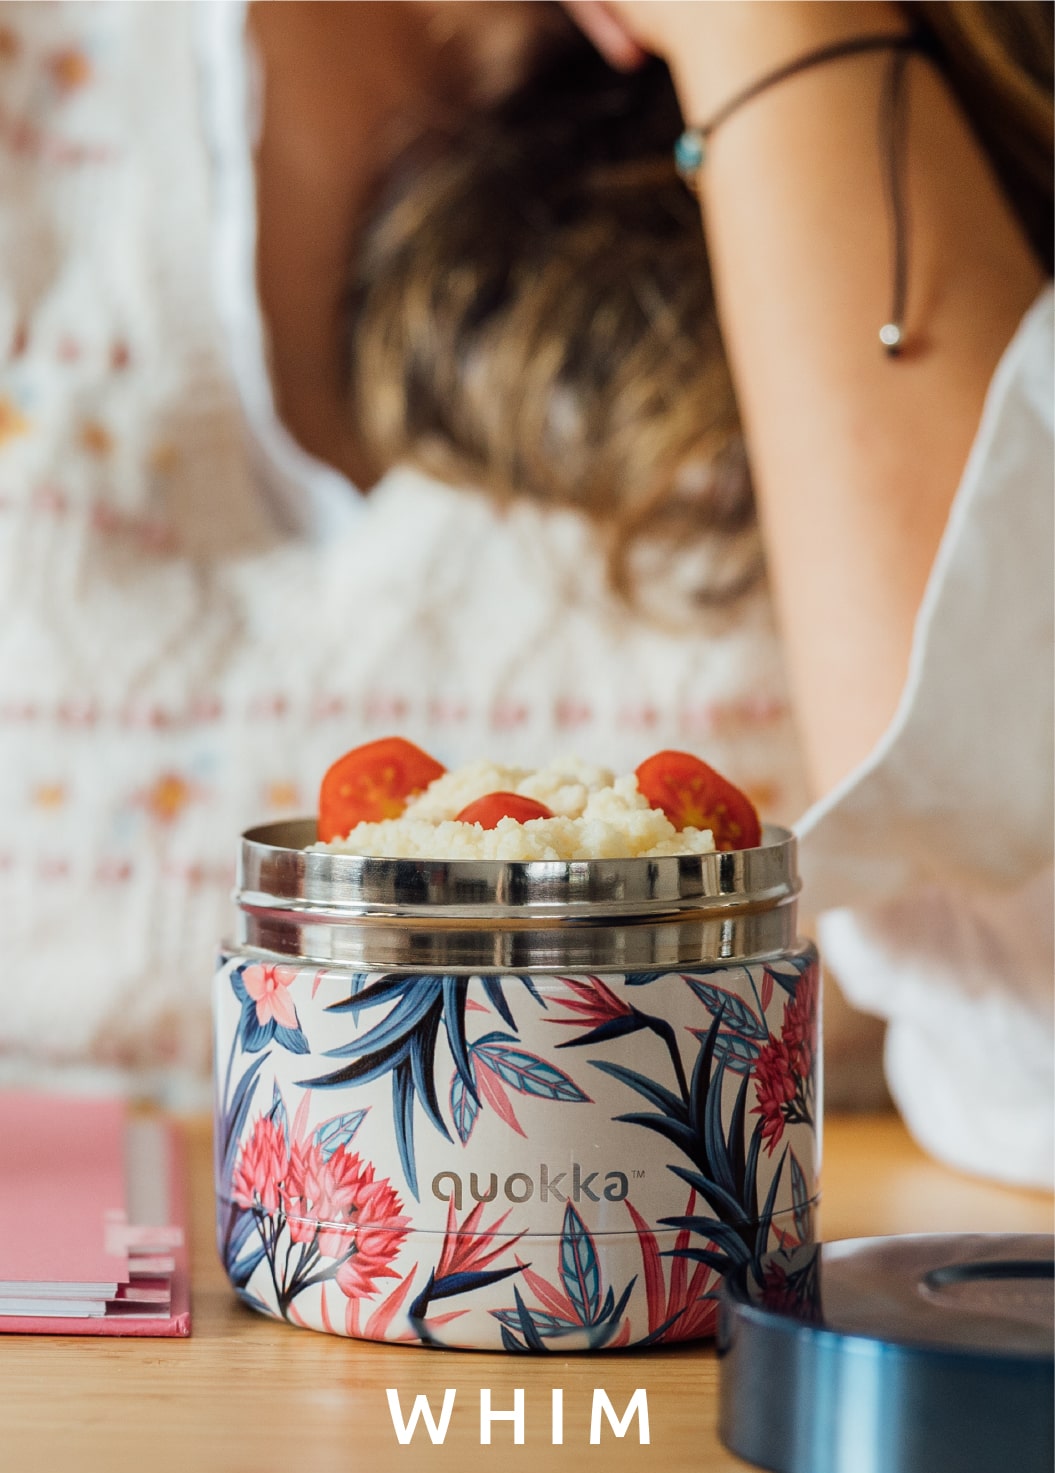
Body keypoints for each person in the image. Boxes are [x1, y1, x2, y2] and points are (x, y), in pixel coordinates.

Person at [0, 2, 1049, 1189]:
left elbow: (1038, 1038)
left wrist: (770, 34)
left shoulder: (966, 86)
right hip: (86, 1343)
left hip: (715, 1323)